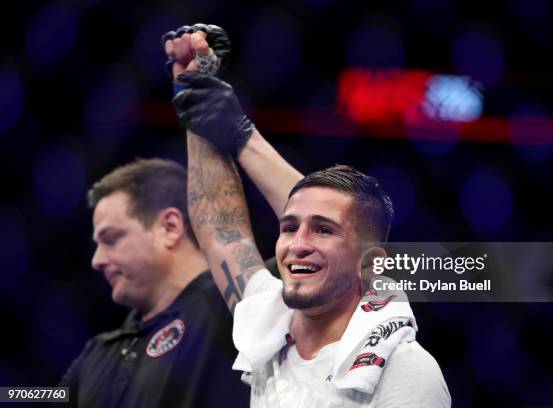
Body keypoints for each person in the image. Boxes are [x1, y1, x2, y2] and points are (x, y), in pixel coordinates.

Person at [165, 26, 451, 407]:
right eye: (289, 228)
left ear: (370, 265)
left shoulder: (404, 371)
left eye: (323, 230)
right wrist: (196, 94)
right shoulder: (269, 324)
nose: (298, 245)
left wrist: (243, 134)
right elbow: (222, 227)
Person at [59, 158, 253, 407]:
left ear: (169, 228)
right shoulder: (99, 352)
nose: (96, 261)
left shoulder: (235, 309)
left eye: (110, 239)